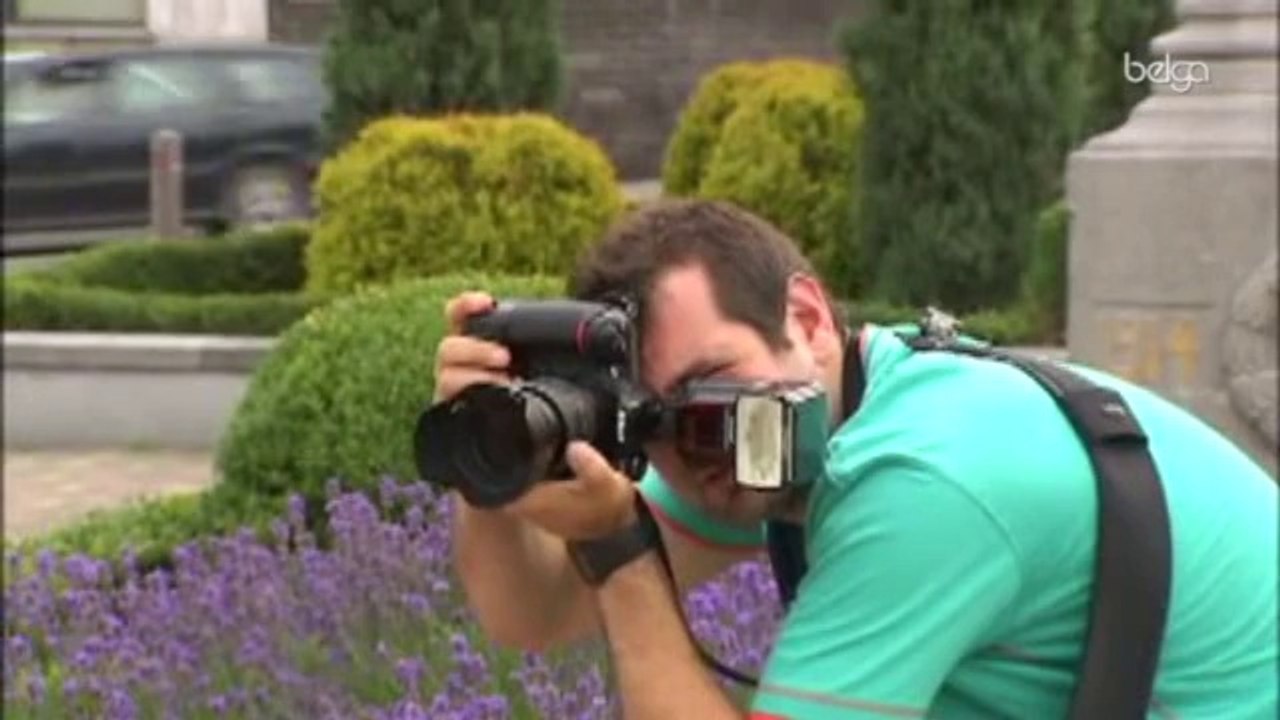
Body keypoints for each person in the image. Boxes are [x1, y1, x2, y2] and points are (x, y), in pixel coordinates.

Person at [432, 198, 1278, 719]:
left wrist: (621, 553)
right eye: (656, 421)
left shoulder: (922, 480)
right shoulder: (800, 420)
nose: (697, 448)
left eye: (713, 387)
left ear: (805, 317)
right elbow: (534, 617)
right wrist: (493, 456)